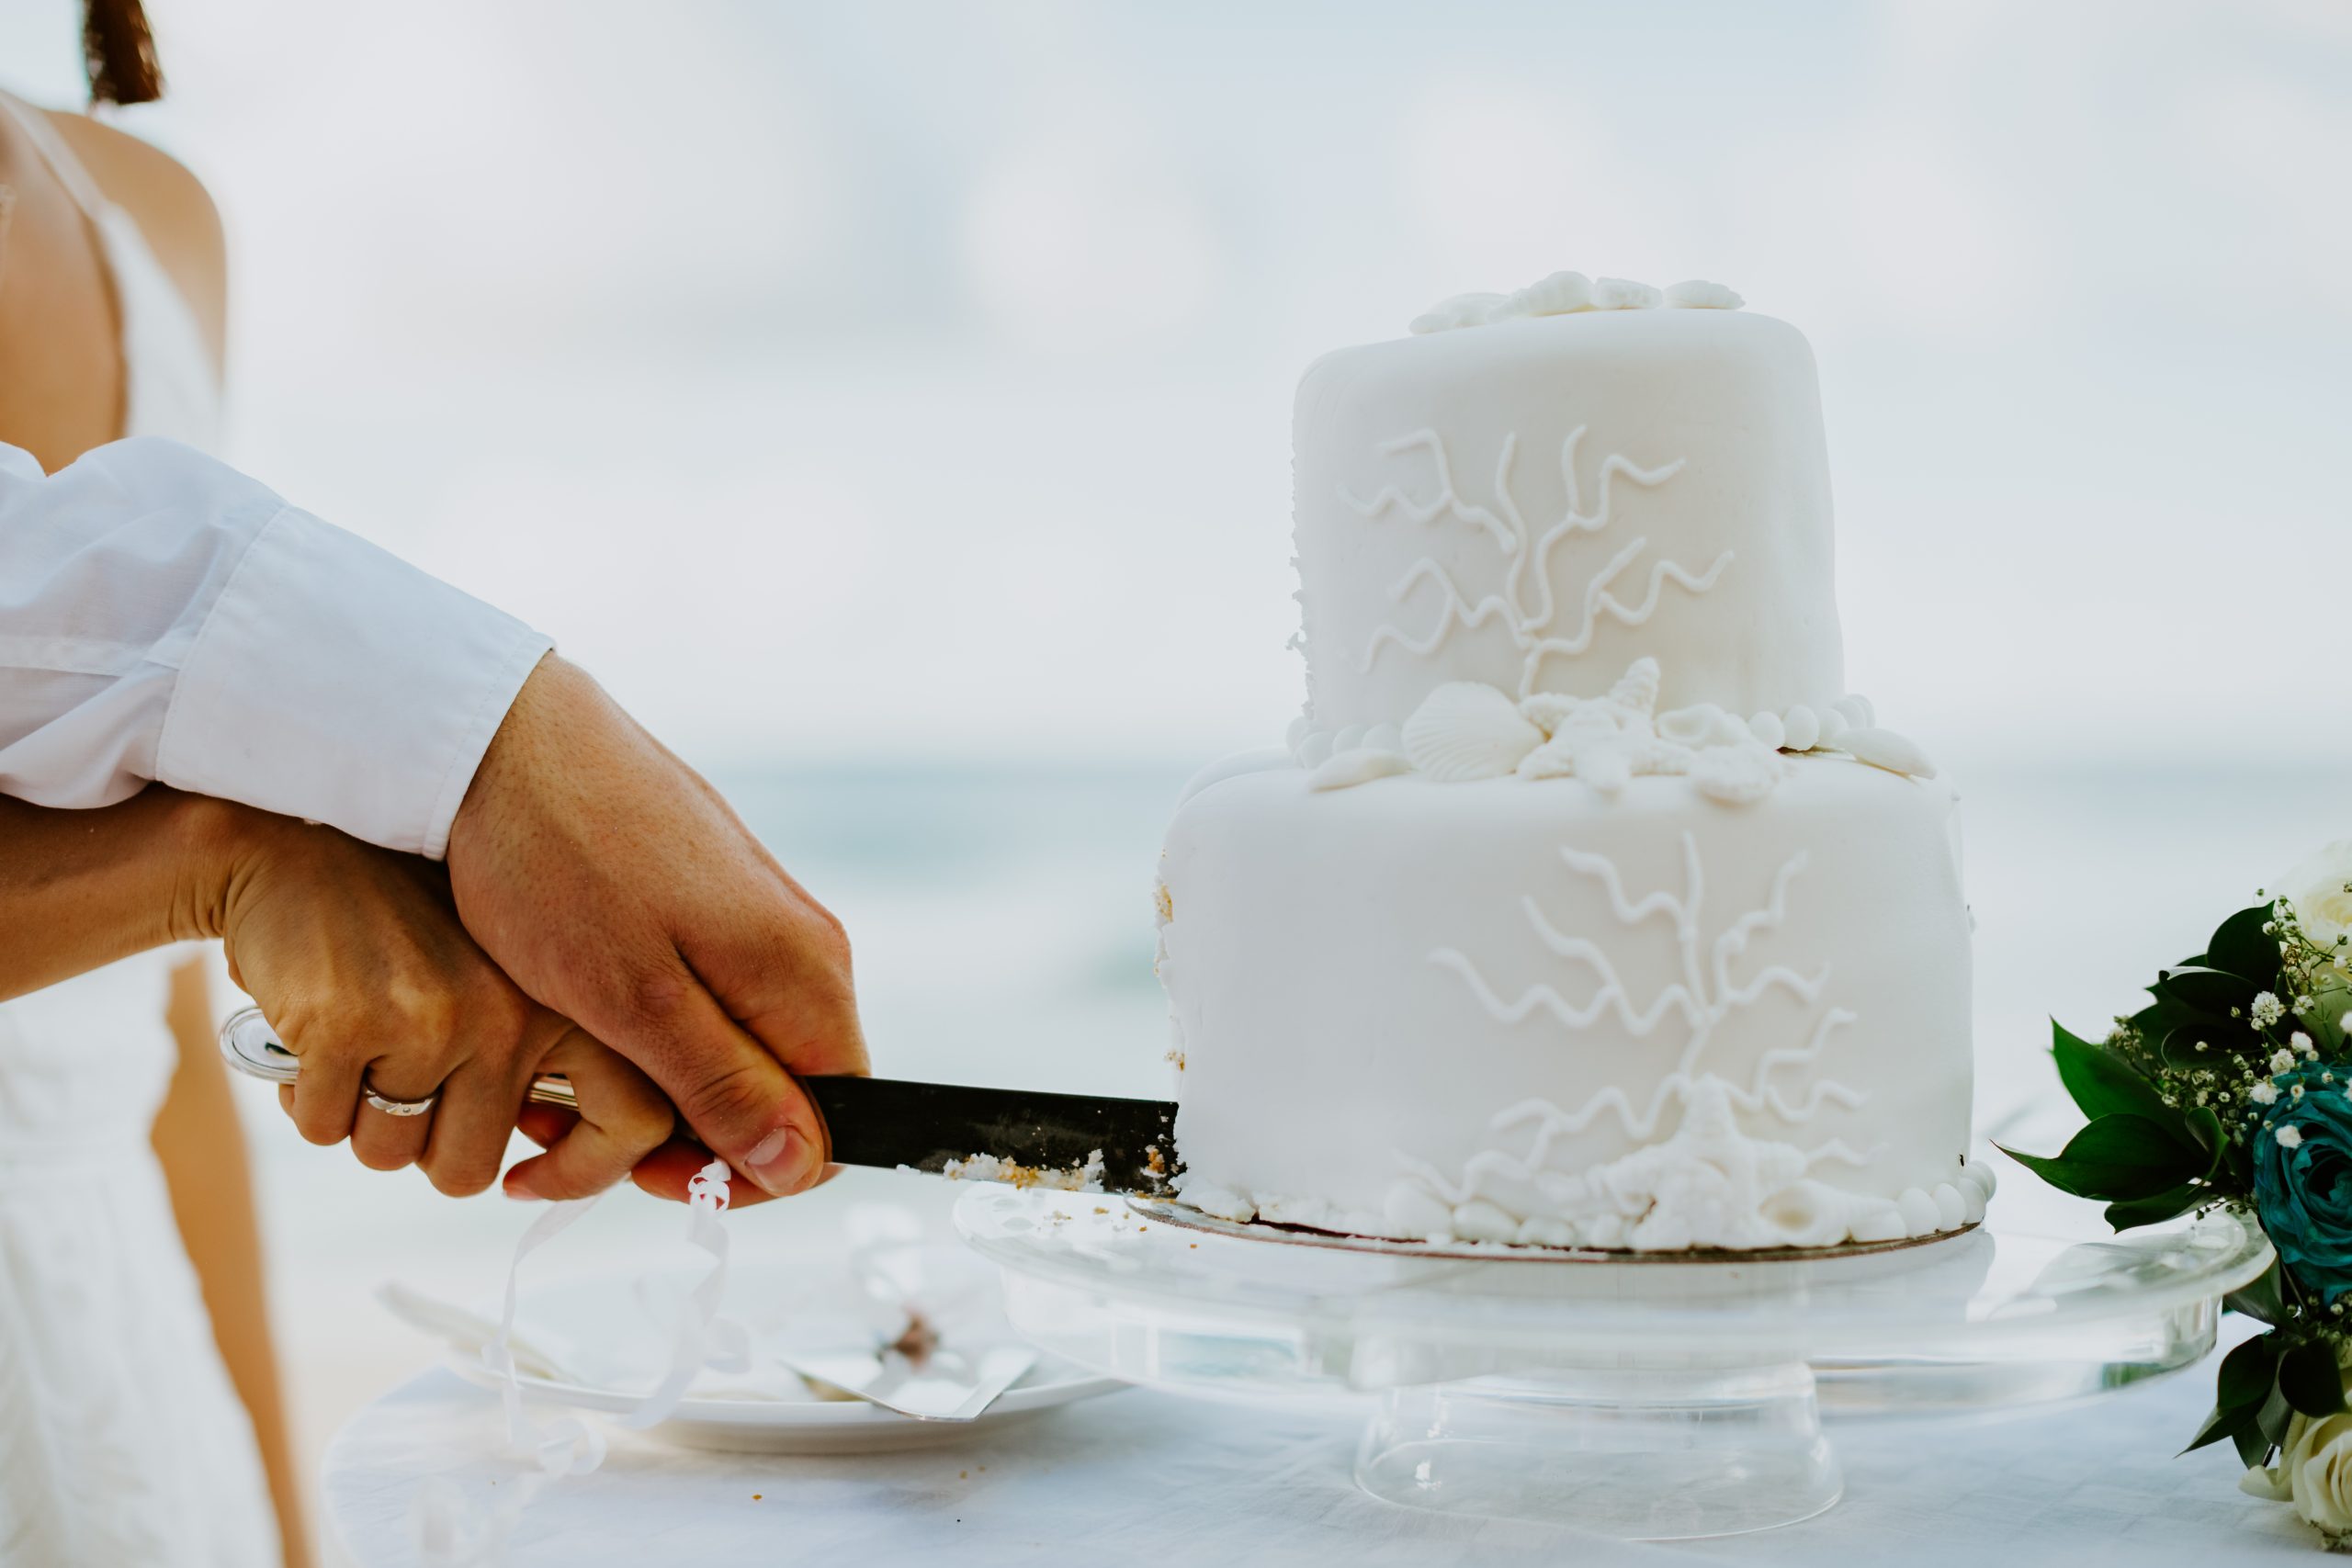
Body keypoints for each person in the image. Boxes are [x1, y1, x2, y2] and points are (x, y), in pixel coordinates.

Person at [1, 5, 866, 1562]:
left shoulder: (152, 217)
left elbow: (155, 1043)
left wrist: (266, 1523)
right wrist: (284, 829)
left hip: (117, 1384)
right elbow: (201, 866)